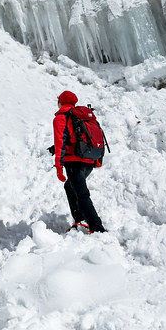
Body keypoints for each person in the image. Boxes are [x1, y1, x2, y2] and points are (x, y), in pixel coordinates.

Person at [53, 90, 107, 233]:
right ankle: (80, 220)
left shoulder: (61, 117)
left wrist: (59, 167)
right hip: (88, 160)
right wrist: (96, 160)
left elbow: (60, 142)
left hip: (73, 162)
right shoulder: (82, 116)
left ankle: (97, 228)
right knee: (70, 187)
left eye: (58, 100)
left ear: (61, 102)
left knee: (82, 194)